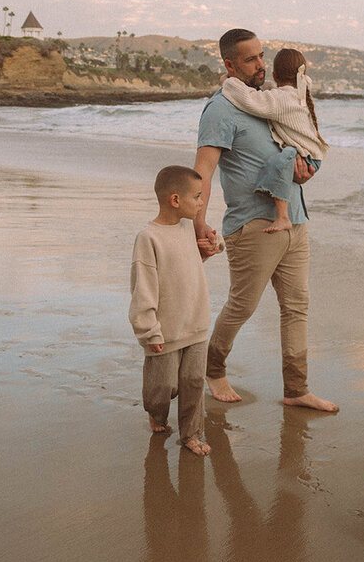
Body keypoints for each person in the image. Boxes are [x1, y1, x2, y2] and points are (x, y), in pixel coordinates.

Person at [193, 28, 338, 413]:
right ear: (229, 65)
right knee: (243, 305)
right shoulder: (221, 109)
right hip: (252, 227)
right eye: (251, 59)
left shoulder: (270, 103)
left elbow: (295, 152)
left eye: (262, 56)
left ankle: (296, 388)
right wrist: (198, 223)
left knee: (297, 307)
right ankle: (213, 369)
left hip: (294, 220)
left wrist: (306, 170)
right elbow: (203, 171)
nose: (261, 65)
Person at [129, 165, 213, 457]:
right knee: (161, 387)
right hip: (164, 329)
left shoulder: (189, 227)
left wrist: (213, 245)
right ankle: (157, 413)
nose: (202, 203)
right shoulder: (148, 238)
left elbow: (190, 262)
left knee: (193, 383)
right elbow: (144, 288)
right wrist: (148, 330)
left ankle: (192, 434)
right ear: (175, 200)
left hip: (197, 322)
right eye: (197, 197)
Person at [221, 47, 328, 235]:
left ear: (273, 74)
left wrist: (228, 82)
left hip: (304, 157)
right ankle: (275, 196)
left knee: (278, 162)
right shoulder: (299, 91)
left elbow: (251, 100)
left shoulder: (281, 99)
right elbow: (271, 93)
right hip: (312, 155)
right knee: (282, 159)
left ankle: (282, 216)